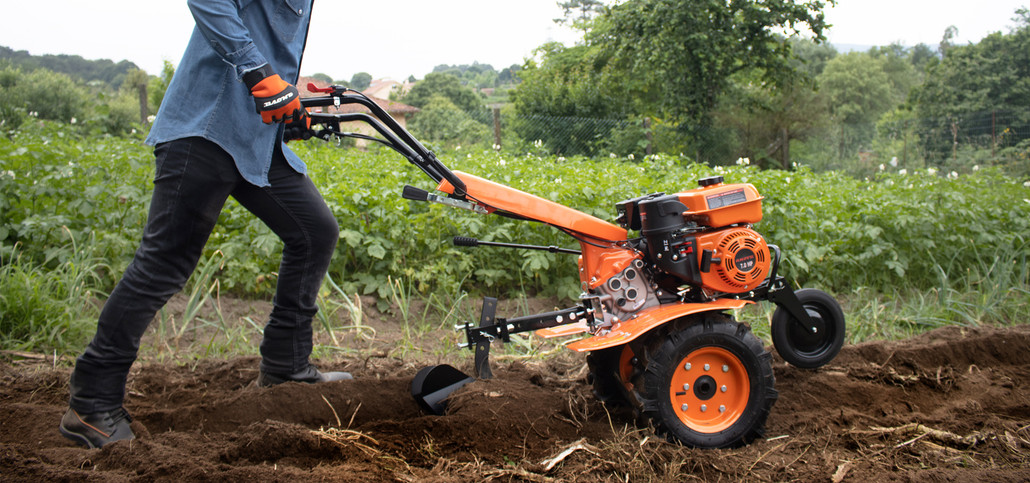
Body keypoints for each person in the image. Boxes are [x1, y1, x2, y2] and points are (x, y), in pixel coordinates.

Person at [59, 0, 350, 449]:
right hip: (205, 131)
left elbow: (269, 43)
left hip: (254, 142)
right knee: (164, 263)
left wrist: (288, 105)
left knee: (315, 231)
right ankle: (91, 403)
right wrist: (259, 74)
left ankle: (285, 367)